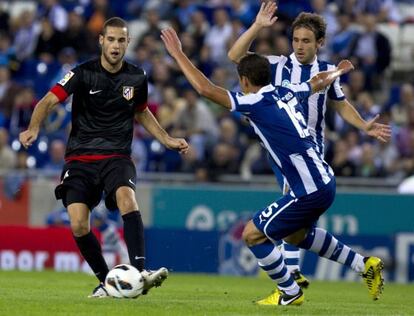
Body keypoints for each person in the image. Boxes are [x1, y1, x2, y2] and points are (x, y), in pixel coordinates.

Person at [161, 27, 384, 305]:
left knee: (252, 235)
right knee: (295, 234)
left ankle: (290, 291)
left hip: (308, 188)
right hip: (324, 179)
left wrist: (179, 54)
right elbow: (318, 82)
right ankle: (364, 265)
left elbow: (205, 88)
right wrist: (338, 72)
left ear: (243, 81)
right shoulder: (288, 92)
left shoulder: (253, 102)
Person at [227, 2, 391, 294]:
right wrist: (257, 26)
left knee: (294, 226)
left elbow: (340, 106)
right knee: (297, 232)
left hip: (309, 155)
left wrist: (363, 125)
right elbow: (235, 56)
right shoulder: (276, 66)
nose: (299, 46)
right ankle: (361, 264)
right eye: (295, 40)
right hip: (283, 156)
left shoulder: (327, 72)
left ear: (320, 43)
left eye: (306, 41)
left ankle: (292, 278)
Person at [19, 17, 189, 298]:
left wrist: (166, 139)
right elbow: (48, 100)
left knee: (127, 198)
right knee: (78, 223)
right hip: (80, 160)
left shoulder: (137, 77)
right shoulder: (82, 73)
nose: (116, 45)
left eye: (121, 40)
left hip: (116, 156)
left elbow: (142, 112)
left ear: (127, 43)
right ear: (101, 41)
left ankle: (139, 271)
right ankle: (105, 281)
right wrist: (33, 127)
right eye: (111, 39)